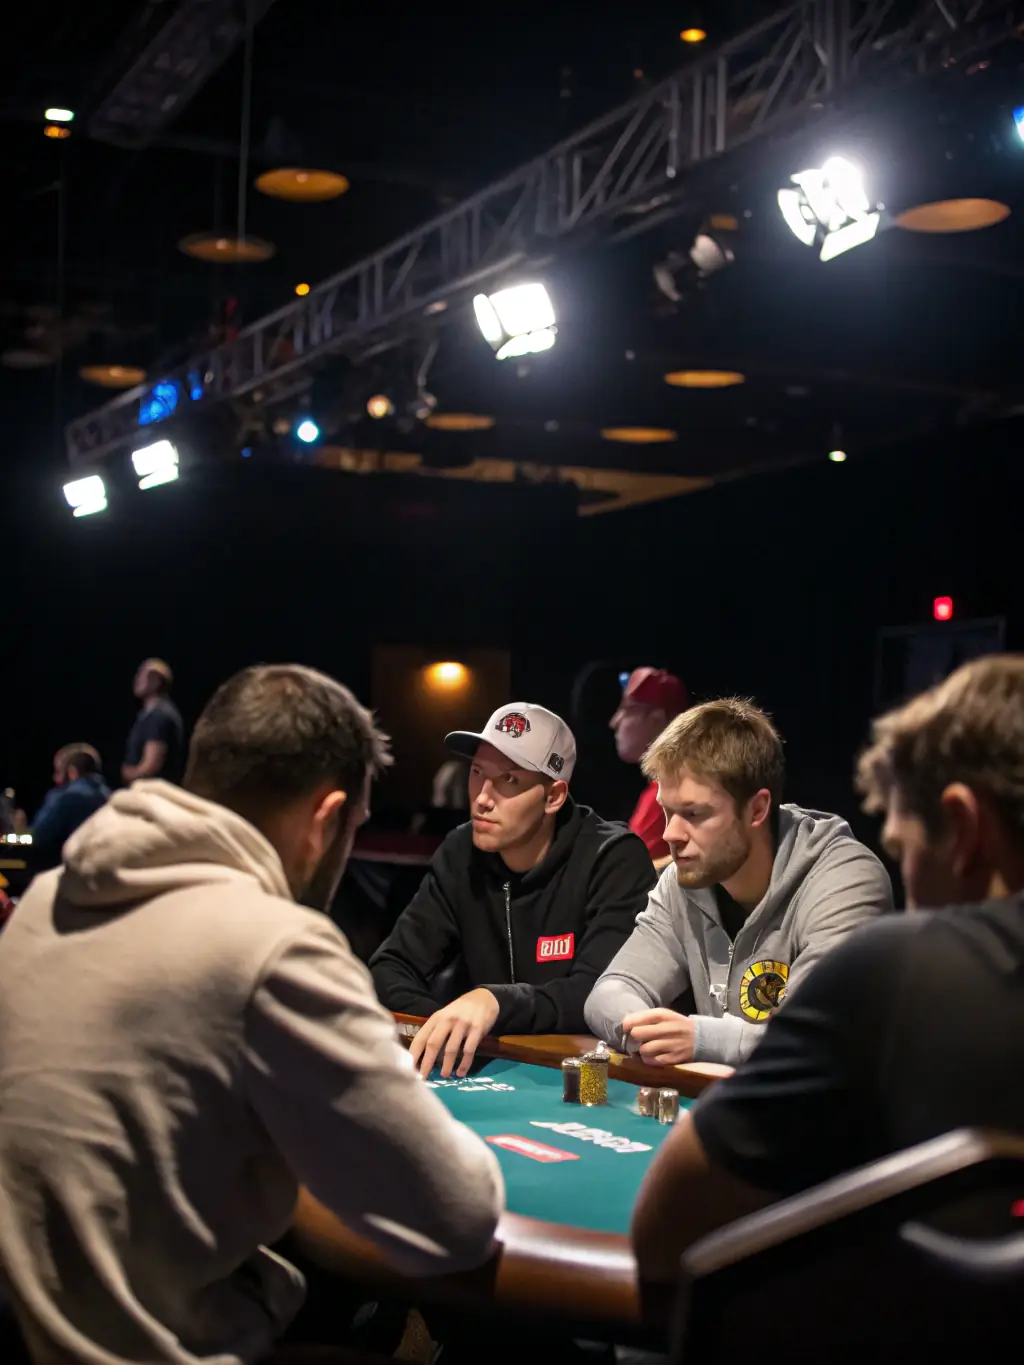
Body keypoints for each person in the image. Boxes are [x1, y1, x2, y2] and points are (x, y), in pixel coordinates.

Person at [0, 664, 504, 1365]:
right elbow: (458, 1215)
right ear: (327, 818)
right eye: (354, 824)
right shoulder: (276, 944)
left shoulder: (42, 902)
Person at [630, 655, 1024, 1280]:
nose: (906, 878)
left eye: (904, 847)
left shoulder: (899, 969)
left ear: (963, 824)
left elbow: (662, 1224)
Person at [585, 697, 892, 1066]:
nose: (670, 834)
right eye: (667, 811)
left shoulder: (845, 881)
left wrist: (701, 1038)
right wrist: (646, 1030)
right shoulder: (682, 880)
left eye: (694, 814)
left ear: (757, 809)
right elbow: (610, 991)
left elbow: (816, 1037)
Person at [370, 702, 656, 1078]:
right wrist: (445, 1026)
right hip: (483, 1069)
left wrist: (494, 1003)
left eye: (509, 780)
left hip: (583, 1076)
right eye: (476, 773)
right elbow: (390, 966)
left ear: (553, 796)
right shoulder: (461, 852)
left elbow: (598, 995)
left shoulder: (613, 859)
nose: (483, 798)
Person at [611, 667, 689, 867]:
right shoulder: (666, 786)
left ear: (656, 720)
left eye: (627, 709)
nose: (615, 722)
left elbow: (635, 871)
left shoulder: (668, 794)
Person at [24, 743, 110, 870]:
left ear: (72, 772)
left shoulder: (66, 796)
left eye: (58, 771)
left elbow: (36, 838)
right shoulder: (109, 796)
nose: (55, 778)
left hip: (66, 874)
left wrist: (12, 834)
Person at [122, 657, 185, 785]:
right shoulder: (147, 715)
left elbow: (152, 765)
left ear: (156, 682)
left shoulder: (159, 715)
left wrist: (129, 773)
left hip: (151, 792)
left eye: (142, 675)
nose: (136, 680)